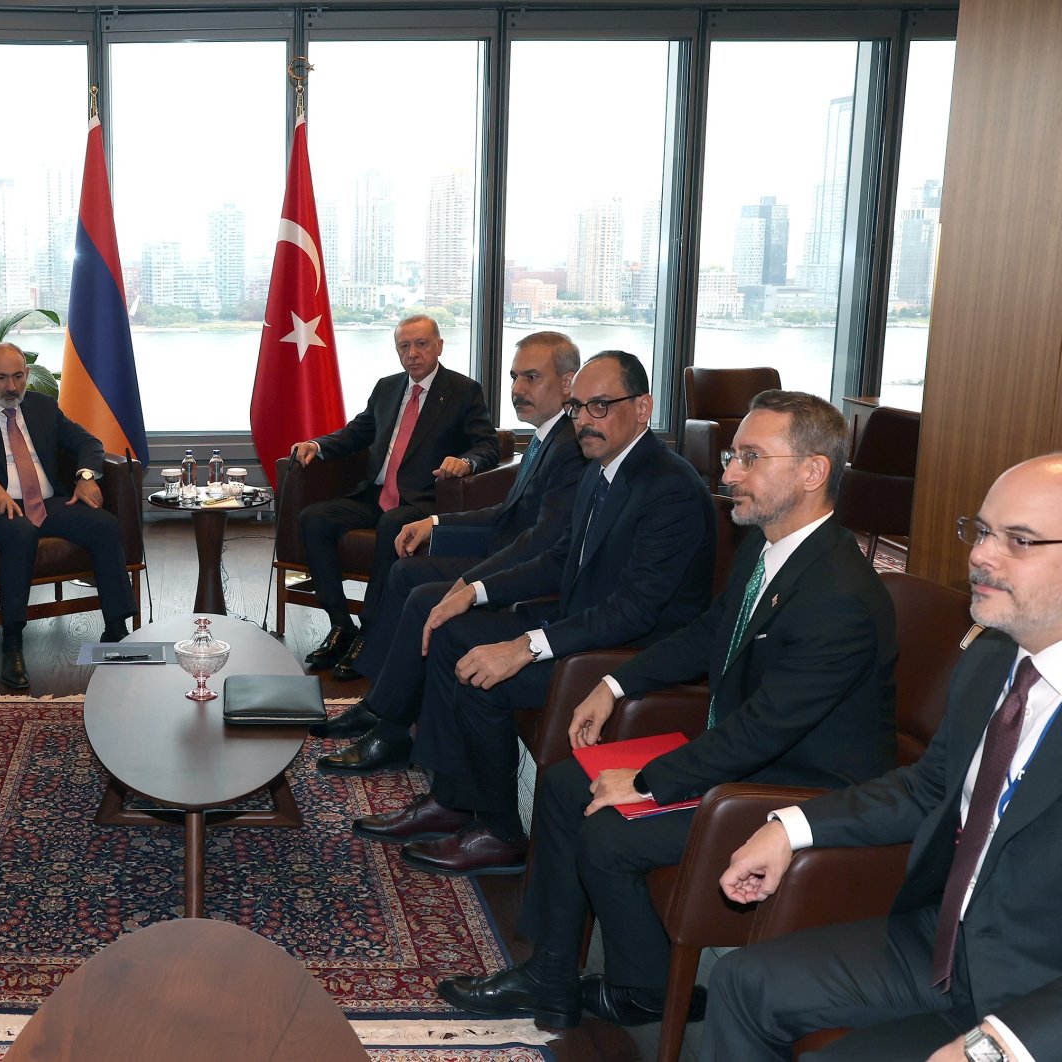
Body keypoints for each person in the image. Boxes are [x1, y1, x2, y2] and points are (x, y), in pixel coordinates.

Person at [438, 390, 898, 1030]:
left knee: (612, 828)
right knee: (569, 777)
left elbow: (765, 731)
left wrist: (649, 781)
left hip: (796, 788)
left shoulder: (838, 597)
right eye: (733, 455)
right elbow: (709, 633)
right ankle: (549, 974)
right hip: (749, 754)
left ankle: (645, 991)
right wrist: (614, 684)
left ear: (813, 471)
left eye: (750, 458)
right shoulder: (771, 549)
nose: (728, 473)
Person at [706, 455, 1062, 1061]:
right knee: (740, 983)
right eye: (981, 531)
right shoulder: (989, 660)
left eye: (1019, 541)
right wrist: (790, 827)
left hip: (1038, 991)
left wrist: (1001, 1044)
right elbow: (928, 788)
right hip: (947, 941)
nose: (980, 555)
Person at [349, 351, 716, 877]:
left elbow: (635, 610)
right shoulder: (603, 468)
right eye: (578, 409)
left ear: (643, 408)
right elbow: (559, 557)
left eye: (600, 406)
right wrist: (474, 592)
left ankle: (499, 833)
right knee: (456, 632)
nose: (585, 420)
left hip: (625, 656)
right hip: (582, 626)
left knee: (486, 676)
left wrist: (527, 646)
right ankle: (453, 798)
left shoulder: (670, 489)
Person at [316, 331, 585, 753]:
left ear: (569, 383)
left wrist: (473, 584)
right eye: (515, 377)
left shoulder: (570, 446)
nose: (516, 390)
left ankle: (389, 727)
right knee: (404, 571)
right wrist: (435, 523)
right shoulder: (545, 436)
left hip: (519, 575)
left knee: (423, 594)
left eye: (531, 378)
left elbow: (540, 543)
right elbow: (507, 514)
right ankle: (380, 705)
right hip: (498, 549)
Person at [290, 313, 500, 676]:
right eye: (404, 346)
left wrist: (467, 461)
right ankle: (341, 626)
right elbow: (356, 433)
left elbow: (488, 445)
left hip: (421, 502)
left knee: (392, 523)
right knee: (314, 518)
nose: (412, 353)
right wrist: (317, 445)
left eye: (421, 344)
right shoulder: (387, 388)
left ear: (439, 346)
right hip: (375, 494)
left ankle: (372, 634)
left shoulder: (463, 391)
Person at [0, 342, 135, 691]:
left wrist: (84, 477)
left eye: (19, 376)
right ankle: (12, 643)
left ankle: (115, 629)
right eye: (2, 378)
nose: (12, 387)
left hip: (48, 501)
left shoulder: (42, 406)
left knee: (104, 525)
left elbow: (90, 443)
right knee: (21, 533)